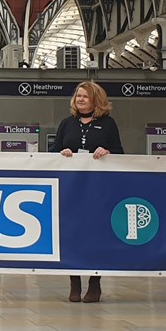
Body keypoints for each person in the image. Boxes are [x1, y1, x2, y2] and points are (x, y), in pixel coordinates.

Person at [50, 80, 123, 303]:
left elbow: (120, 151)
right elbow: (52, 151)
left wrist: (108, 151)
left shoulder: (108, 124)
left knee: (96, 234)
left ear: (95, 100)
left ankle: (94, 282)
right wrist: (61, 152)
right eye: (77, 96)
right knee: (72, 234)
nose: (79, 100)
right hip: (72, 189)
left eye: (84, 96)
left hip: (98, 189)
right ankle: (74, 282)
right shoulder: (67, 123)